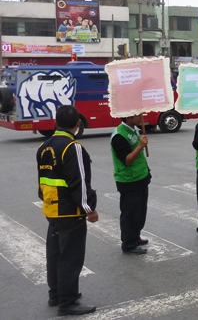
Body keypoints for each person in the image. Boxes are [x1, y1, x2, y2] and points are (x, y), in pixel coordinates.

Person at [38, 105, 98, 316]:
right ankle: (68, 302)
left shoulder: (45, 146)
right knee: (70, 258)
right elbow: (79, 182)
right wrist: (89, 208)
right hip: (70, 211)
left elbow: (42, 182)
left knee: (54, 254)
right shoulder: (73, 147)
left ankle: (56, 294)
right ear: (78, 123)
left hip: (52, 209)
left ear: (56, 122)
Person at [110, 113, 151, 255]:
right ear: (128, 117)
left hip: (140, 177)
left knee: (139, 212)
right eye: (137, 115)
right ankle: (129, 243)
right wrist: (140, 146)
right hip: (128, 180)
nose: (141, 117)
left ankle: (136, 236)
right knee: (130, 213)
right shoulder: (119, 136)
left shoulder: (133, 129)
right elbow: (127, 160)